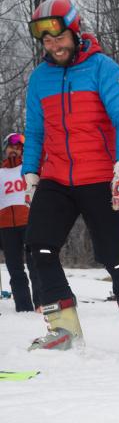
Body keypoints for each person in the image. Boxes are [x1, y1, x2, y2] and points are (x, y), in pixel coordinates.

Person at [22, 0, 119, 352]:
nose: (52, 45)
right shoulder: (39, 78)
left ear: (75, 31)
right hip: (56, 177)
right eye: (45, 41)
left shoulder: (103, 68)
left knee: (114, 255)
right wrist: (31, 173)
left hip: (99, 176)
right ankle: (63, 328)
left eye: (58, 37)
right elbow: (35, 132)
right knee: (39, 247)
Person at [0, 133, 40, 312]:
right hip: (6, 226)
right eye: (11, 147)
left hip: (29, 222)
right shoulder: (0, 173)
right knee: (15, 268)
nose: (14, 150)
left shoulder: (28, 169)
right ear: (5, 149)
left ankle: (41, 302)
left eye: (18, 147)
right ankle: (23, 306)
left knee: (36, 264)